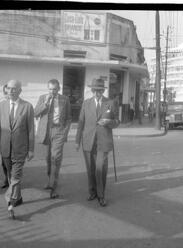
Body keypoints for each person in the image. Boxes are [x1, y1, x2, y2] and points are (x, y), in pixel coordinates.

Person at [0, 80, 35, 219]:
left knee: (16, 176)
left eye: (15, 88)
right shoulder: (0, 106)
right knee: (10, 176)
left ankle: (9, 201)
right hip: (5, 148)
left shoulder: (27, 107)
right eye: (9, 88)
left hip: (21, 148)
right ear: (6, 90)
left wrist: (31, 149)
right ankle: (17, 197)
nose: (12, 91)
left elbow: (31, 130)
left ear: (20, 91)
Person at [75, 78, 120, 207]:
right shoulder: (86, 103)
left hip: (103, 141)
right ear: (92, 90)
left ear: (103, 90)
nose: (97, 93)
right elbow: (81, 123)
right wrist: (77, 141)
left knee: (100, 168)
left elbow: (117, 121)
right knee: (91, 169)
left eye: (100, 90)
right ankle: (92, 192)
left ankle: (101, 195)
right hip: (88, 140)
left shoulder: (110, 103)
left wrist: (109, 123)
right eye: (95, 90)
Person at [34, 79, 71, 199]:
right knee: (48, 159)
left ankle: (53, 188)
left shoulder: (65, 99)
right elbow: (35, 113)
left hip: (58, 131)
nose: (52, 92)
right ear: (47, 89)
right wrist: (45, 104)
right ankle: (50, 180)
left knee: (56, 158)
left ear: (58, 89)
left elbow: (69, 118)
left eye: (54, 89)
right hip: (46, 131)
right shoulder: (42, 98)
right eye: (50, 89)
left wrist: (65, 133)